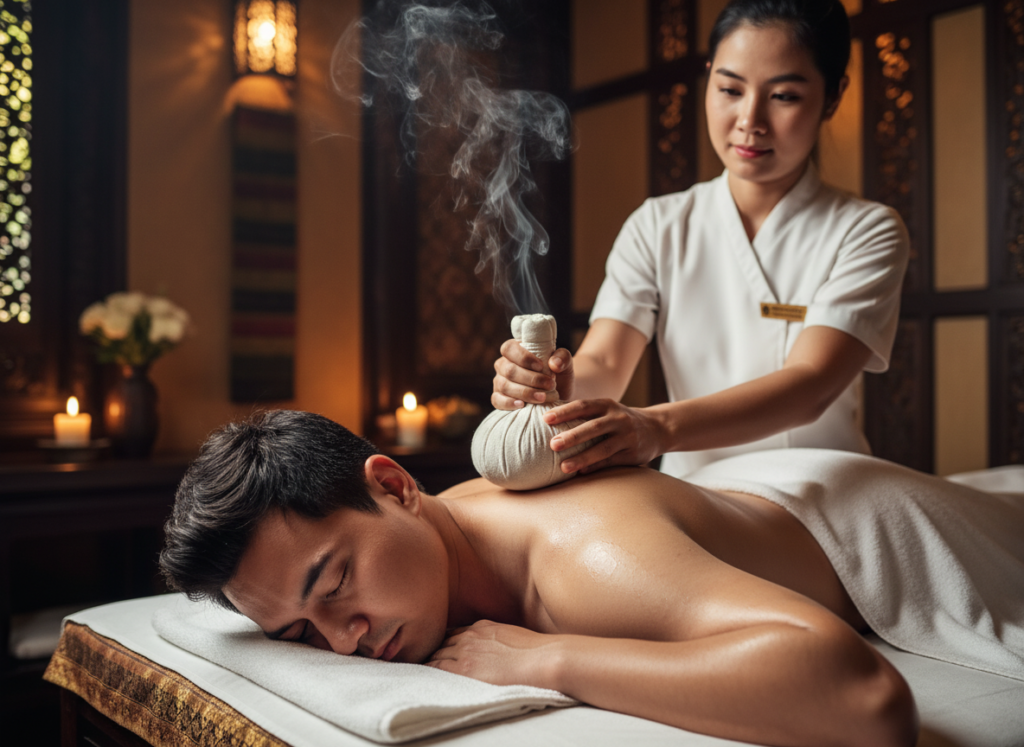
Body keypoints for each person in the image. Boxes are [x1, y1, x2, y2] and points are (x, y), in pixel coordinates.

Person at [160, 411, 1024, 747]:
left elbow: (868, 702)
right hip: (751, 494)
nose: (344, 639)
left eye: (335, 583)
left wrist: (549, 658)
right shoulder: (440, 535)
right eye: (299, 632)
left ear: (393, 485)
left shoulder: (584, 561)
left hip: (882, 519)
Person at [492, 0, 909, 478]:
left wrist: (657, 427)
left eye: (784, 96)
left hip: (821, 485)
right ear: (709, 79)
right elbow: (604, 360)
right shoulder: (657, 225)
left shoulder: (867, 230)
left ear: (833, 97)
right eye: (730, 89)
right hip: (695, 488)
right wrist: (554, 387)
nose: (750, 120)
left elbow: (810, 385)